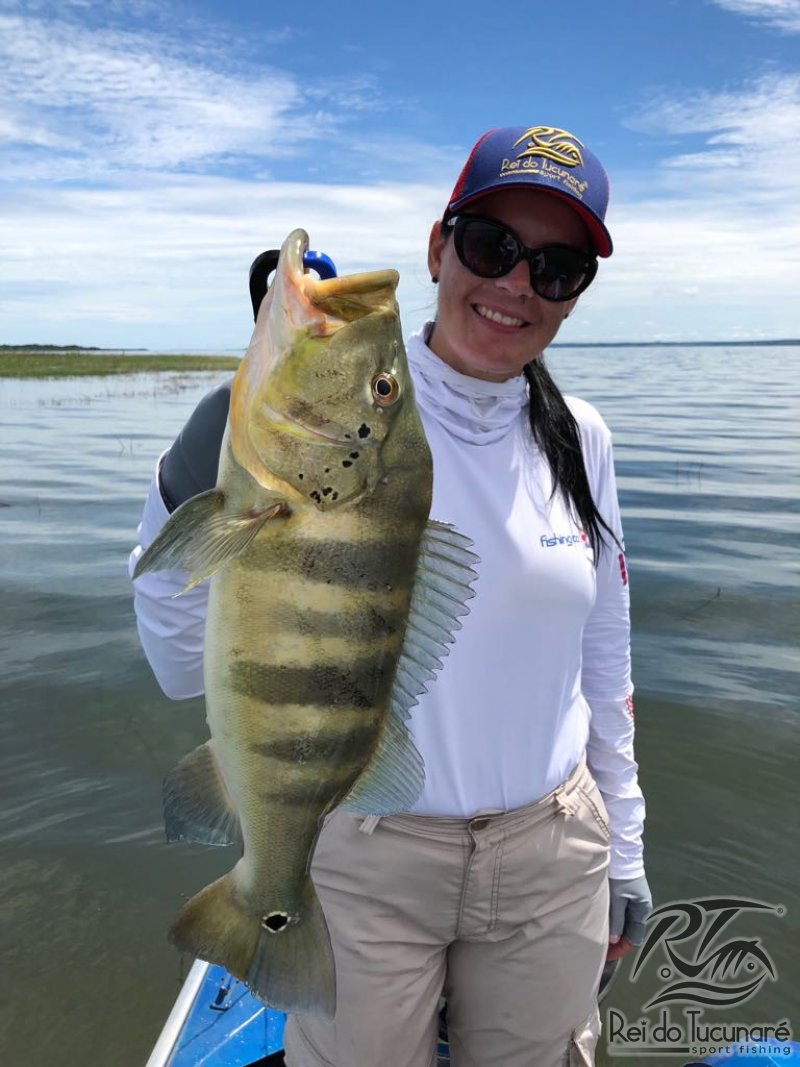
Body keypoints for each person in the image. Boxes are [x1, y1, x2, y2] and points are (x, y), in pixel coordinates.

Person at [130, 123, 651, 1067]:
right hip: (368, 850)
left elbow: (604, 661)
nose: (517, 284)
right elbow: (175, 664)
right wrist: (198, 464)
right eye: (491, 245)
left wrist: (626, 847)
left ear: (576, 292)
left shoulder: (583, 439)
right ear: (438, 247)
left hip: (552, 850)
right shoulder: (329, 432)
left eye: (557, 267)